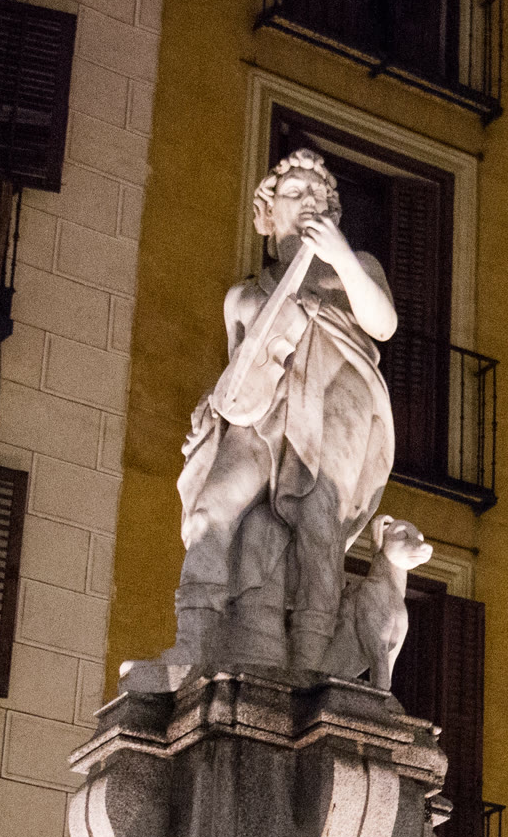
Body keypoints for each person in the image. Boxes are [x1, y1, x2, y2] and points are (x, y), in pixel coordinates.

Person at [168, 148, 398, 671]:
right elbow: (239, 374)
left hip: (336, 403)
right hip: (263, 414)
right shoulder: (243, 296)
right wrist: (209, 411)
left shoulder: (356, 268)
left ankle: (309, 664)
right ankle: (193, 643)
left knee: (319, 530)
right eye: (295, 192)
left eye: (318, 194)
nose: (309, 199)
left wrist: (340, 256)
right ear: (267, 215)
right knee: (211, 511)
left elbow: (383, 324)